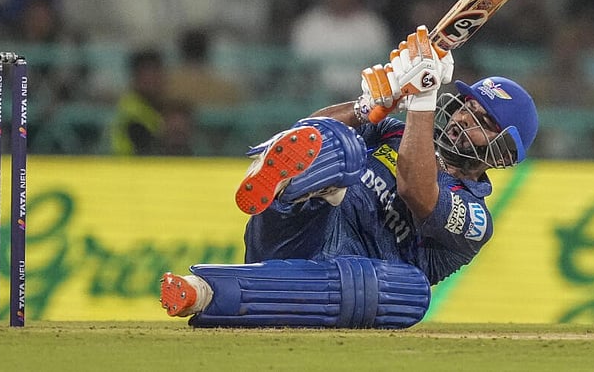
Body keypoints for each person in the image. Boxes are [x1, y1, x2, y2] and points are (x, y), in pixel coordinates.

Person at [159, 26, 539, 328]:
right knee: (337, 141)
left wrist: (422, 97)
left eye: (482, 121)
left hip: (342, 285)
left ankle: (201, 293)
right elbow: (309, 133)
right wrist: (374, 104)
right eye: (467, 108)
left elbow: (416, 189)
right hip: (298, 230)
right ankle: (294, 190)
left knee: (409, 292)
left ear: (504, 151)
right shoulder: (392, 132)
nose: (461, 119)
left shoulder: (475, 217)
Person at [110, 48, 168, 156]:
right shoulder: (130, 110)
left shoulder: (158, 105)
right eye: (147, 75)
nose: (153, 80)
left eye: (157, 73)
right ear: (135, 77)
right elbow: (147, 148)